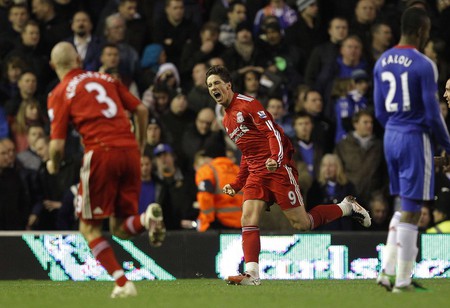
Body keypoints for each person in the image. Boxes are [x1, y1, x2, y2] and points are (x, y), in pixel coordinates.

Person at [205, 65, 371, 286]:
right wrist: (237, 184)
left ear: (228, 85)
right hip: (256, 173)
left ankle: (347, 207)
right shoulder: (226, 120)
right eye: (209, 85)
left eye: (216, 83)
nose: (213, 88)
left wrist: (276, 158)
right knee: (248, 218)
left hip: (277, 170)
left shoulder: (248, 104)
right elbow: (247, 154)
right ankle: (252, 274)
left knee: (303, 223)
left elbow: (273, 132)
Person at [46, 42, 165, 298]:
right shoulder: (106, 78)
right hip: (130, 152)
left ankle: (123, 284)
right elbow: (141, 109)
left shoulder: (60, 92)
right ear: (78, 58)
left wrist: (53, 164)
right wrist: (141, 143)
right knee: (120, 228)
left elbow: (56, 145)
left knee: (88, 228)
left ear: (53, 65)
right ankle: (147, 220)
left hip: (101, 153)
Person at [374, 7, 450, 293]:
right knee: (414, 210)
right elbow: (432, 114)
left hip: (390, 136)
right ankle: (402, 281)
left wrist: (394, 128)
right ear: (421, 30)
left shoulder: (382, 61)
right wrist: (447, 144)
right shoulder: (424, 64)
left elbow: (380, 110)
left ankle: (386, 272)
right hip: (413, 136)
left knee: (404, 205)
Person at [195, 133, 242, 232]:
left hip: (218, 226)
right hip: (242, 225)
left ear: (209, 156)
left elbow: (205, 198)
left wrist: (206, 223)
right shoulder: (238, 170)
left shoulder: (207, 171)